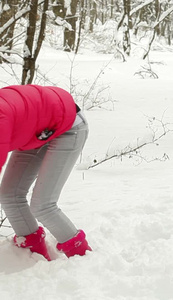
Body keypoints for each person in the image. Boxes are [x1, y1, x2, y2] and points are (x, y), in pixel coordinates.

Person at [0, 84, 91, 261]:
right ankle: (32, 258)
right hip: (37, 130)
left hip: (68, 126)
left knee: (43, 206)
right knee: (9, 195)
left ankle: (83, 260)